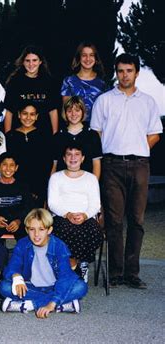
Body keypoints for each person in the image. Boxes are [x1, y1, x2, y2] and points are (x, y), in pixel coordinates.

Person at [90, 53, 162, 289]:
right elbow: (97, 133)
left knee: (137, 219)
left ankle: (133, 272)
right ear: (116, 72)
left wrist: (137, 149)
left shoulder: (148, 102)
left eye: (129, 70)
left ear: (137, 73)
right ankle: (116, 272)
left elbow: (154, 134)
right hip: (112, 165)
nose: (125, 75)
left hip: (140, 164)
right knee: (114, 220)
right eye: (120, 71)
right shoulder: (105, 100)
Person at [0, 208, 88, 318]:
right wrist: (16, 275)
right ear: (27, 230)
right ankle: (62, 305)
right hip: (31, 286)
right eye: (32, 229)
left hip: (55, 286)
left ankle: (30, 304)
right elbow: (12, 266)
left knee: (81, 287)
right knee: (4, 286)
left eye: (41, 229)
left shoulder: (59, 246)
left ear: (49, 230)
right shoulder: (22, 244)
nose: (36, 234)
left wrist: (51, 304)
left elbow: (65, 277)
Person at [48, 143, 103, 282]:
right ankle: (71, 264)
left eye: (77, 154)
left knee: (94, 231)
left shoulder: (91, 178)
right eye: (69, 154)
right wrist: (68, 214)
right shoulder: (56, 177)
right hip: (62, 216)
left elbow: (96, 203)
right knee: (63, 230)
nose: (73, 158)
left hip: (86, 216)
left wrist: (84, 215)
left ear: (83, 158)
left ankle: (81, 263)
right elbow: (52, 203)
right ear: (64, 158)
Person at [4, 45, 59, 135]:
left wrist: (55, 134)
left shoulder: (48, 82)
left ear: (40, 61)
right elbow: (9, 112)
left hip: (43, 134)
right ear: (23, 62)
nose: (31, 64)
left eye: (34, 60)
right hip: (20, 134)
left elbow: (53, 111)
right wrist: (8, 135)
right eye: (27, 61)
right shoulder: (15, 82)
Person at [5, 102, 52, 207]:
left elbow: (48, 163)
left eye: (32, 114)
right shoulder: (10, 136)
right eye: (25, 113)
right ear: (18, 114)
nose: (28, 117)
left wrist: (41, 189)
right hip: (15, 187)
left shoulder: (44, 135)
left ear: (37, 116)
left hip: (38, 187)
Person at [51, 96, 102, 179]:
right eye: (69, 111)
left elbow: (96, 165)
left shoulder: (92, 135)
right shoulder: (58, 136)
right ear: (65, 113)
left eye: (77, 110)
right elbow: (54, 165)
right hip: (63, 185)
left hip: (85, 184)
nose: (73, 114)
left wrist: (94, 186)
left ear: (83, 112)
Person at [61, 42, 107, 123]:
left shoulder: (103, 83)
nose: (88, 59)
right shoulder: (69, 81)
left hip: (97, 129)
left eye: (91, 55)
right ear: (79, 58)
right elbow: (66, 112)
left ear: (96, 58)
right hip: (75, 129)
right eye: (84, 55)